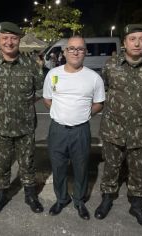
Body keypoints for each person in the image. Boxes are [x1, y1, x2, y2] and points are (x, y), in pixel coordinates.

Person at [95, 24, 142, 228]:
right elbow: (105, 89)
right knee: (111, 166)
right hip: (113, 127)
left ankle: (136, 204)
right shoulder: (110, 65)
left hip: (141, 129)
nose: (137, 43)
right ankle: (107, 198)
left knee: (138, 169)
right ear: (125, 42)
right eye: (132, 38)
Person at [0, 22, 44, 215]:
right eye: (5, 38)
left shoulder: (32, 65)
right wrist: (3, 106)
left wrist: (21, 104)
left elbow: (39, 91)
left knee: (28, 162)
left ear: (19, 40)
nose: (9, 42)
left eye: (13, 38)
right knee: (1, 163)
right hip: (1, 126)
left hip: (25, 126)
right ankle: (1, 195)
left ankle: (30, 194)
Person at [43, 36, 105, 220]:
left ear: (85, 52)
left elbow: (99, 103)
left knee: (81, 167)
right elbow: (47, 99)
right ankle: (61, 199)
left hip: (81, 130)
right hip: (57, 130)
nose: (76, 52)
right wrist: (61, 112)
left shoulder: (94, 78)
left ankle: (79, 200)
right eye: (71, 48)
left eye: (80, 49)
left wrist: (83, 114)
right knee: (58, 167)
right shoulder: (53, 74)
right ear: (64, 52)